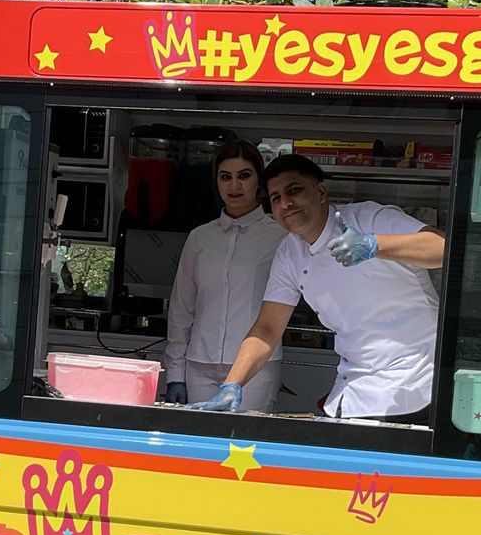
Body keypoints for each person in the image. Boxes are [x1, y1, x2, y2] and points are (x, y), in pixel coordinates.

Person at [190, 154, 444, 422]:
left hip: (417, 384)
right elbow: (267, 328)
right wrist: (233, 384)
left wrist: (374, 245)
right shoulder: (289, 252)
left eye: (294, 191)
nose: (286, 203)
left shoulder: (370, 218)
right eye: (276, 198)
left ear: (321, 192)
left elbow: (442, 247)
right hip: (356, 390)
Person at [164, 140, 286, 410]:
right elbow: (182, 309)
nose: (234, 186)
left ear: (259, 181)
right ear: (216, 182)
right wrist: (174, 373)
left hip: (256, 369)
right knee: (198, 447)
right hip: (198, 365)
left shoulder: (281, 237)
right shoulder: (200, 238)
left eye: (244, 176)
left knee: (245, 445)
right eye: (225, 177)